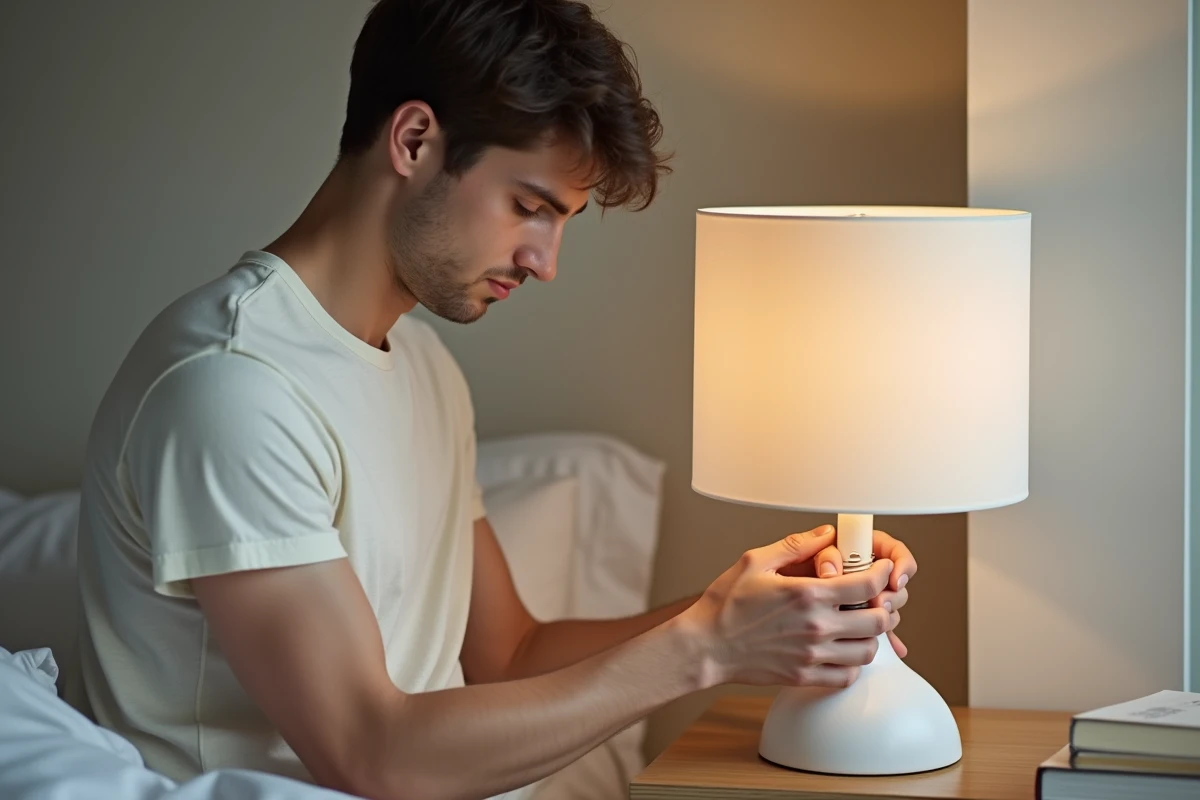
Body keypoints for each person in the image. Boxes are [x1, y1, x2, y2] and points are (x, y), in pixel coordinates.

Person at [71, 1, 918, 798]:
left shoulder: (423, 364)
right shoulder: (232, 387)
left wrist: (747, 611)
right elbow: (372, 750)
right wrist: (704, 650)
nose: (544, 261)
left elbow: (510, 656)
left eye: (562, 220)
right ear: (413, 140)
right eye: (528, 206)